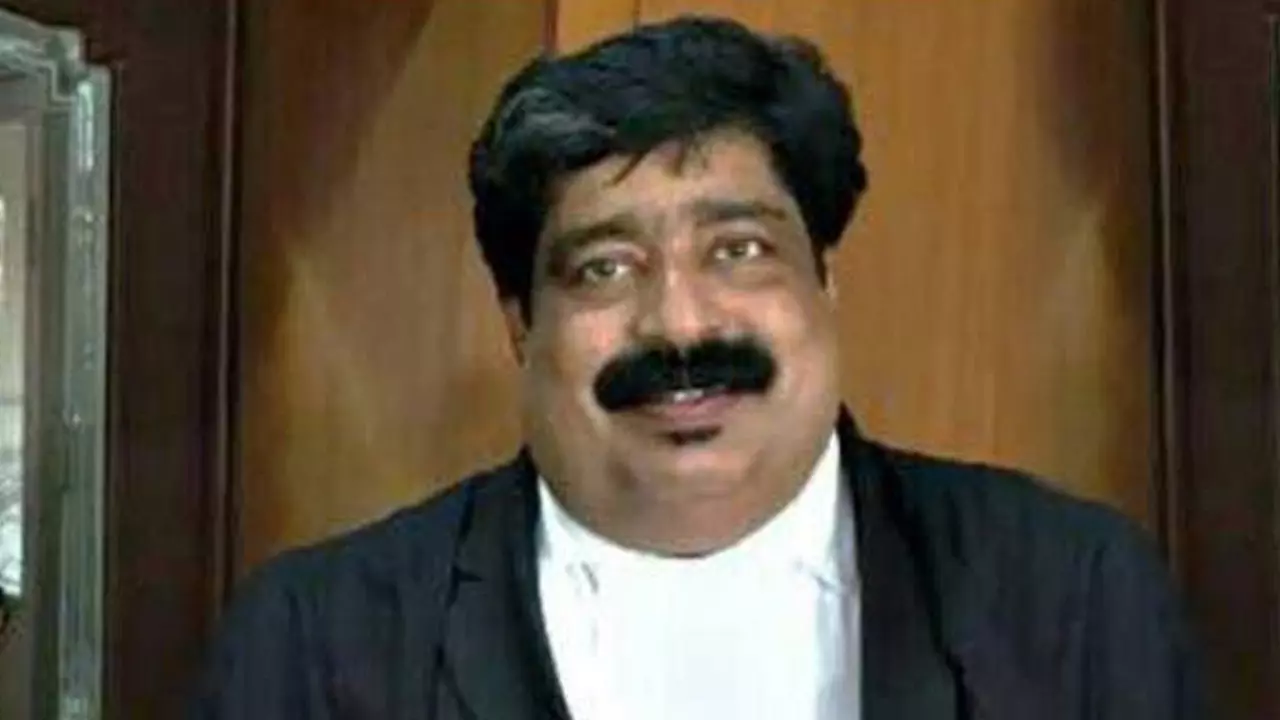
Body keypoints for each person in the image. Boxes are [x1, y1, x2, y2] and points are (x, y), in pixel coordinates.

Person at [193, 15, 1202, 720]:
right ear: (519, 324)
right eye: (605, 267)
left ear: (825, 281)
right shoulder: (314, 645)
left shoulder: (1074, 597)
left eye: (738, 250)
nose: (678, 322)